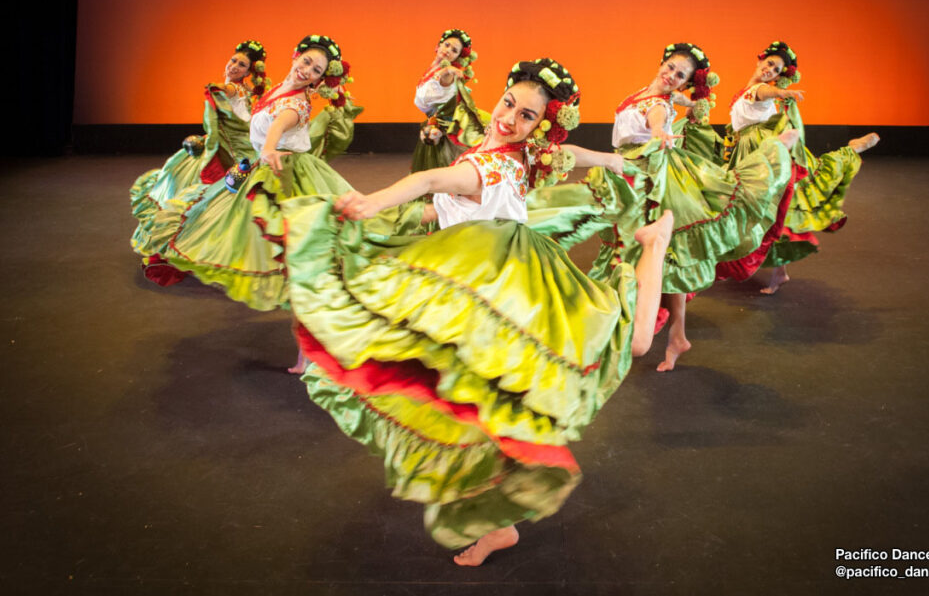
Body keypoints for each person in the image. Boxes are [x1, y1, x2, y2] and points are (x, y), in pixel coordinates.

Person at [280, 58, 673, 565]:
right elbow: (535, 165)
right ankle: (500, 522)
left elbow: (429, 183)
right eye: (510, 103)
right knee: (490, 407)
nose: (510, 117)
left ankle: (654, 245)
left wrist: (374, 202)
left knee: (619, 348)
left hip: (507, 289)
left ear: (539, 124)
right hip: (494, 287)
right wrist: (611, 161)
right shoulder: (516, 153)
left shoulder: (486, 164)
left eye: (527, 116)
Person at [590, 43, 796, 371]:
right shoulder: (654, 93)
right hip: (633, 171)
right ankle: (674, 334)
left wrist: (661, 130)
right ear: (662, 63)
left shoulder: (657, 103)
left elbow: (657, 119)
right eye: (670, 68)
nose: (671, 76)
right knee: (666, 257)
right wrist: (691, 101)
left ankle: (640, 329)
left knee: (648, 253)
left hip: (650, 174)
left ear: (685, 80)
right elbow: (676, 101)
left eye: (680, 75)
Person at [138, 34, 362, 312]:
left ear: (319, 80)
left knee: (279, 226)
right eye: (306, 61)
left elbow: (280, 124)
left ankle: (287, 278)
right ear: (296, 56)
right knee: (238, 218)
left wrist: (268, 147)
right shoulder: (280, 88)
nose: (307, 70)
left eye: (316, 70)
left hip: (284, 168)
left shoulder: (298, 103)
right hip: (262, 163)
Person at [725, 41, 879, 294]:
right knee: (773, 211)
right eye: (770, 63)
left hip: (763, 152)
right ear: (760, 60)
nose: (771, 70)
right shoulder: (748, 88)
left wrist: (783, 93)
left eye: (776, 70)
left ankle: (851, 151)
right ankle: (778, 271)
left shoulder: (761, 90)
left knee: (771, 210)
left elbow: (765, 92)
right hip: (751, 151)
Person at [130, 39, 269, 284]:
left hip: (239, 159)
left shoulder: (235, 89)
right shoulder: (242, 89)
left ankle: (215, 252)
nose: (234, 66)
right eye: (233, 60)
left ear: (249, 72)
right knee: (207, 197)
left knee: (221, 201)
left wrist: (216, 87)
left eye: (242, 65)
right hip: (230, 151)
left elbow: (227, 94)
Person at [412, 28, 486, 173]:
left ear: (457, 56)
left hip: (446, 129)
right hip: (434, 124)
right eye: (446, 45)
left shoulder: (446, 74)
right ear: (438, 45)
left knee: (444, 169)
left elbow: (446, 76)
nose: (448, 50)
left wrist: (448, 70)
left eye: (454, 50)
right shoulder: (433, 68)